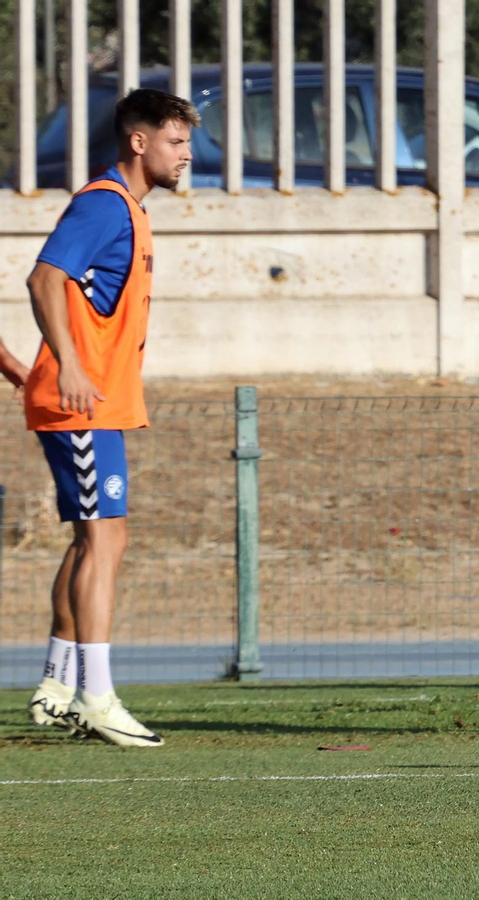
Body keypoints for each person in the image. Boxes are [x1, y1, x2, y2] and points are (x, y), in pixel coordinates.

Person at [24, 88, 197, 746]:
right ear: (138, 141)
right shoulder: (105, 204)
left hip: (99, 401)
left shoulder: (129, 210)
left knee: (100, 540)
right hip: (83, 403)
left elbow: (75, 297)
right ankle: (94, 695)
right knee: (102, 540)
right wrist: (67, 365)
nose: (186, 155)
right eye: (176, 142)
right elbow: (44, 278)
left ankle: (57, 686)